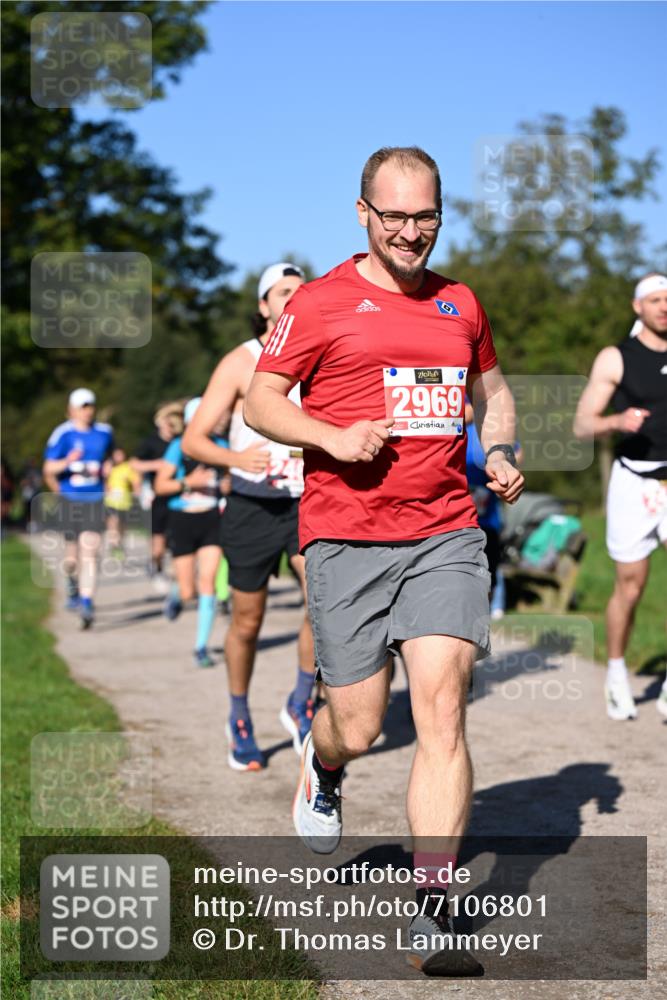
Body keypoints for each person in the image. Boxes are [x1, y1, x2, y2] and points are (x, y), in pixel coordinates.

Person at [245, 147, 524, 975]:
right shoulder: (324, 302)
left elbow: (493, 392)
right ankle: (323, 763)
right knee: (361, 723)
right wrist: (330, 435)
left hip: (443, 531)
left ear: (441, 213)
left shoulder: (459, 302)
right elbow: (263, 401)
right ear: (361, 212)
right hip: (346, 535)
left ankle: (435, 908)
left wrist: (500, 445)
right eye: (394, 215)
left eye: (425, 216)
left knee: (442, 709)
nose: (411, 232)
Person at [183, 262, 317, 772]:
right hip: (251, 503)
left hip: (308, 500)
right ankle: (238, 714)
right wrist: (238, 459)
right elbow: (193, 440)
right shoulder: (242, 362)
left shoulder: (321, 358)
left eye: (301, 293)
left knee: (324, 601)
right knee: (247, 619)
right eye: (283, 293)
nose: (293, 300)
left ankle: (301, 699)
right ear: (263, 305)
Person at [574, 272, 667, 721]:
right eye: (655, 299)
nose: (664, 306)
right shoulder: (617, 357)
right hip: (635, 481)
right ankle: (615, 674)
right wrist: (616, 422)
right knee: (631, 585)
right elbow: (582, 423)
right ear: (638, 307)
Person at [154, 397, 226, 668]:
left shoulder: (221, 446)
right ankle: (176, 594)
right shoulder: (178, 447)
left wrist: (228, 482)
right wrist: (188, 483)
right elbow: (161, 485)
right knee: (188, 593)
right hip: (182, 519)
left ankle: (200, 648)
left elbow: (230, 477)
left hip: (211, 519)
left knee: (208, 581)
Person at [42, 388, 114, 628]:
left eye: (90, 405)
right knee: (72, 557)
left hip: (94, 500)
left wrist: (109, 468)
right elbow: (49, 469)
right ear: (72, 409)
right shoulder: (62, 434)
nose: (88, 410)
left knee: (90, 551)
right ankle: (72, 584)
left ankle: (86, 602)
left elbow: (113, 457)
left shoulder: (104, 433)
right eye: (83, 406)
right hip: (70, 499)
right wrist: (68, 461)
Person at [131, 402, 184, 589]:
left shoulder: (181, 441)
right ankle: (157, 567)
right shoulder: (150, 442)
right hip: (158, 497)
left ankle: (179, 578)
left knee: (177, 540)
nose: (170, 427)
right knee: (158, 544)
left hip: (178, 496)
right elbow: (134, 464)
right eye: (167, 422)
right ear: (160, 422)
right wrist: (157, 465)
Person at [104, 447, 140, 558]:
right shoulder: (109, 467)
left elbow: (136, 482)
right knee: (113, 521)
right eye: (116, 455)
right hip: (111, 501)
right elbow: (104, 480)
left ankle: (119, 543)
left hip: (124, 502)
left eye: (120, 455)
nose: (118, 457)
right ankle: (113, 542)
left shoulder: (128, 468)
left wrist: (136, 493)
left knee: (122, 525)